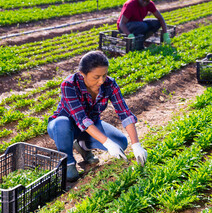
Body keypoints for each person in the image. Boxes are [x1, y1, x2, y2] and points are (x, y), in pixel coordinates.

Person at [47, 51, 148, 182]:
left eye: (104, 75)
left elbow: (125, 113)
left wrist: (136, 145)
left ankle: (83, 146)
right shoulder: (69, 85)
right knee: (62, 123)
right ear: (82, 74)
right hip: (63, 127)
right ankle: (68, 162)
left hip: (90, 126)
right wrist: (107, 142)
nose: (101, 81)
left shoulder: (110, 84)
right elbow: (81, 119)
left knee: (121, 143)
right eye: (96, 77)